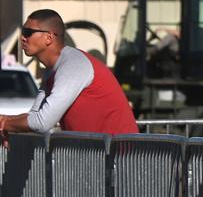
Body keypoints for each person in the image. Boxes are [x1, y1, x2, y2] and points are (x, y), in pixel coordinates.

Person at [0, 9, 137, 135]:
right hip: (95, 156)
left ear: (49, 37)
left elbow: (42, 122)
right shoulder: (52, 69)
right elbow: (34, 114)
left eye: (28, 32)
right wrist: (6, 121)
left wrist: (6, 124)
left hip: (121, 157)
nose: (23, 38)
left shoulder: (73, 65)